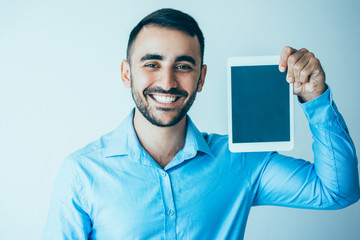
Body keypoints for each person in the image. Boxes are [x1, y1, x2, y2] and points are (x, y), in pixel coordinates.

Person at [42, 8, 359, 240]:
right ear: (127, 73)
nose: (167, 82)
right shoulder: (82, 173)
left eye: (182, 66)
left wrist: (315, 99)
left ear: (201, 77)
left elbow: (338, 192)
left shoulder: (240, 160)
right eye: (152, 64)